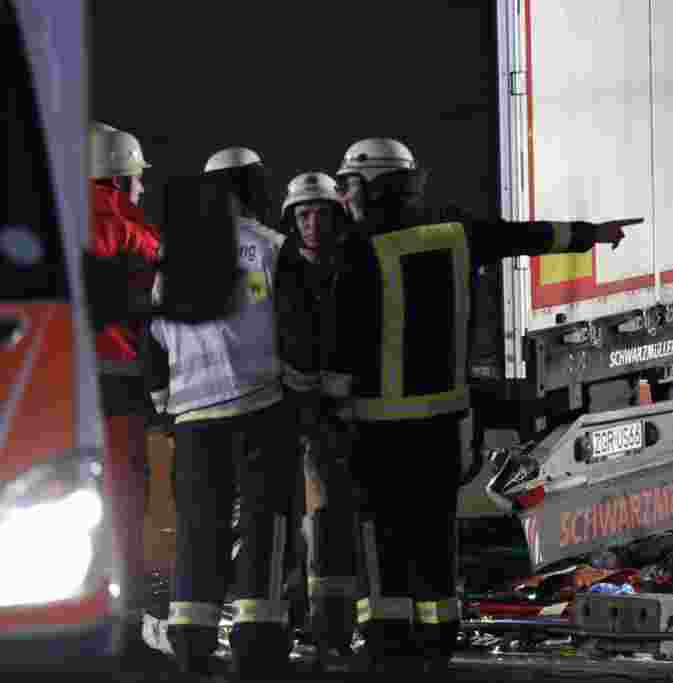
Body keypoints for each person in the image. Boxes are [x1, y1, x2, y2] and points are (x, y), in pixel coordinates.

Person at [325, 137, 642, 675]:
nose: (345, 196)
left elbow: (343, 338)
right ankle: (437, 638)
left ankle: (388, 640)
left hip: (378, 428)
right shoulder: (455, 234)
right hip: (444, 424)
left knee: (383, 537)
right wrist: (592, 235)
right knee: (434, 533)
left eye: (350, 185)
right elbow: (525, 237)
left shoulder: (358, 247)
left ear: (374, 185)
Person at [143, 147, 296, 678]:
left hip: (191, 418)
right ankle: (259, 640)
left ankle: (191, 639)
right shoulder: (273, 247)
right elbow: (295, 325)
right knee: (263, 522)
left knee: (198, 527)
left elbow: (155, 334)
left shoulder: (173, 252)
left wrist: (164, 401)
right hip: (260, 408)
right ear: (254, 186)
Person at [273, 171, 361, 657]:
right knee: (290, 521)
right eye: (302, 214)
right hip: (286, 414)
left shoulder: (353, 263)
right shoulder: (278, 264)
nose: (311, 223)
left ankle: (332, 630)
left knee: (331, 520)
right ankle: (288, 621)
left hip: (338, 416)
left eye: (320, 212)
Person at [87, 122, 161, 618]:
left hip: (51, 382)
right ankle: (126, 615)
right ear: (115, 178)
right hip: (117, 383)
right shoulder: (128, 226)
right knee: (125, 501)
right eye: (136, 178)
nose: (142, 188)